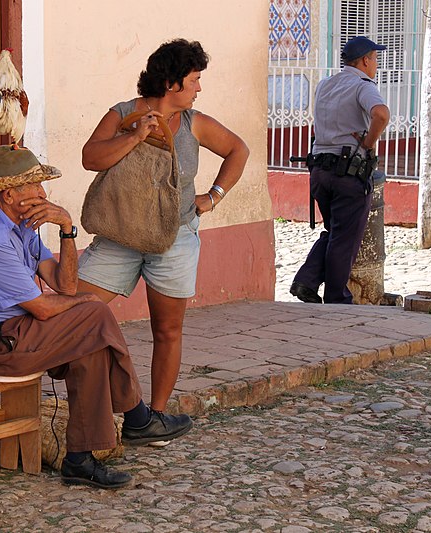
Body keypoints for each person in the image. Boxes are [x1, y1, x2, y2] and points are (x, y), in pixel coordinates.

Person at [0, 145, 193, 490]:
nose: (43, 193)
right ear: (9, 194)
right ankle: (136, 417)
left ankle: (80, 460)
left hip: (10, 333)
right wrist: (88, 301)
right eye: (35, 186)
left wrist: (67, 227)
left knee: (89, 344)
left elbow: (64, 285)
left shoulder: (21, 227)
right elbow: (43, 307)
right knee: (94, 313)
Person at [78, 39, 249, 415]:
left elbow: (239, 149)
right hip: (120, 235)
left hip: (176, 238)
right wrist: (134, 135)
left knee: (167, 331)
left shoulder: (195, 124)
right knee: (75, 312)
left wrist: (214, 196)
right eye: (194, 80)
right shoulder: (122, 113)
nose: (199, 88)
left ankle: (153, 417)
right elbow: (91, 158)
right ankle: (97, 403)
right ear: (172, 84)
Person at [289, 36, 391, 305]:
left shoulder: (325, 85)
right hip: (348, 172)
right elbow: (381, 114)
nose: (376, 65)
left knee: (335, 232)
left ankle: (307, 281)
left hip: (320, 171)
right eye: (375, 59)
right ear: (365, 60)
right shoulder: (362, 85)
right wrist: (368, 145)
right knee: (345, 238)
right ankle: (337, 299)